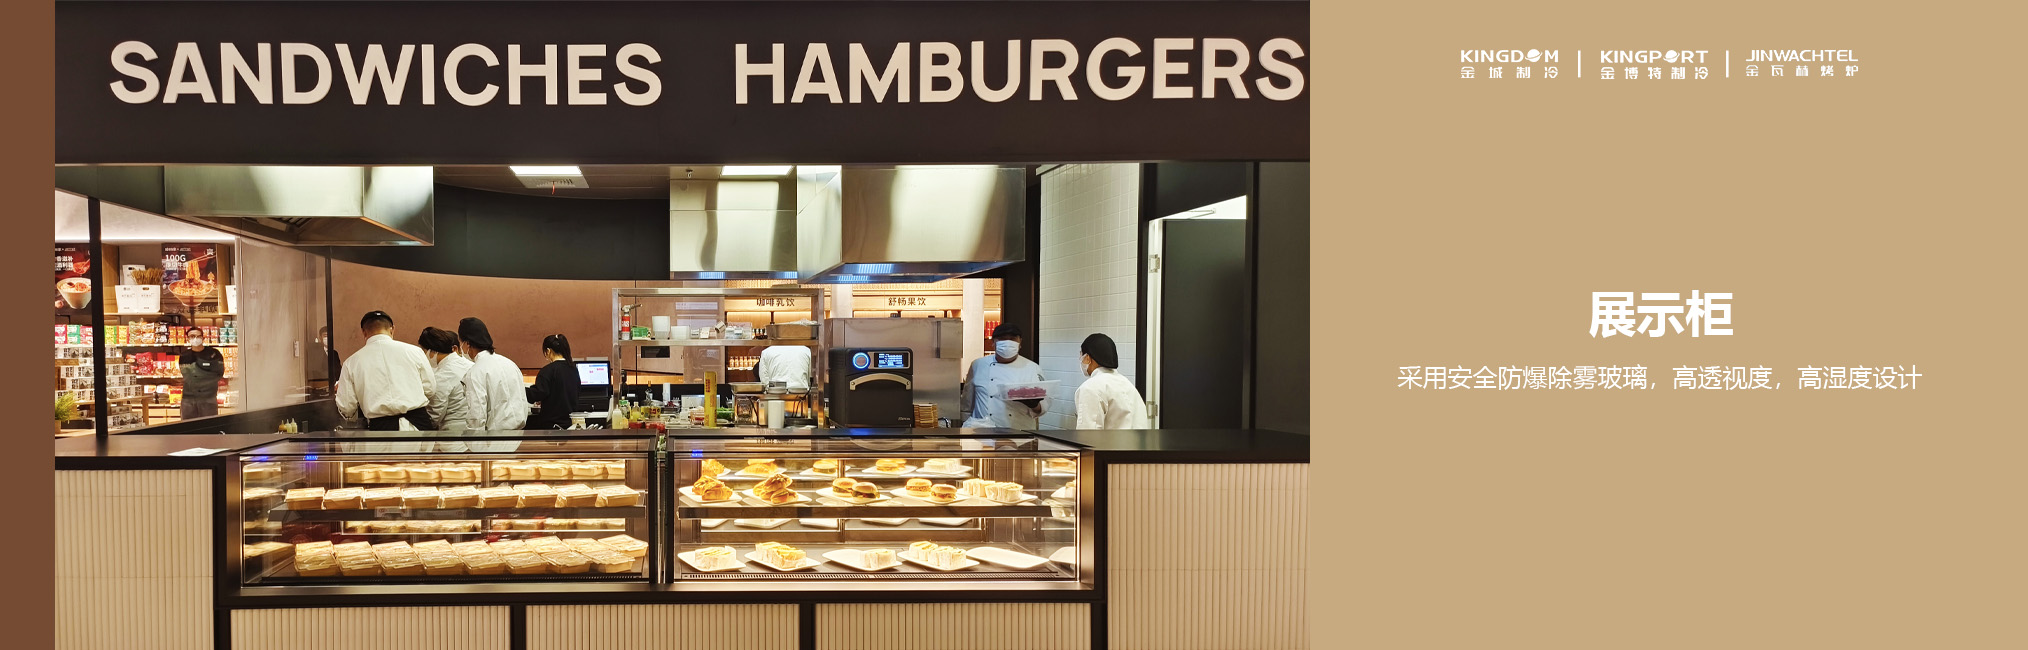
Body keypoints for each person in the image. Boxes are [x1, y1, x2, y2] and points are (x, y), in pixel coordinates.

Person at [335, 311, 435, 430]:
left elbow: (347, 406)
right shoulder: (415, 351)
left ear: (364, 332)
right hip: (419, 424)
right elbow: (430, 388)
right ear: (392, 329)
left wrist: (352, 417)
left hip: (381, 429)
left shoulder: (351, 362)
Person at [960, 324, 1050, 429]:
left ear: (1020, 342)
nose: (1007, 343)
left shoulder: (1033, 368)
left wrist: (1033, 404)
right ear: (993, 342)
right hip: (983, 431)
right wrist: (966, 428)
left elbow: (1043, 407)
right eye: (1002, 338)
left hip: (1019, 431)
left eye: (1012, 339)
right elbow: (967, 404)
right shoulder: (978, 365)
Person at [457, 317, 529, 431]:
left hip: (493, 437)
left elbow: (476, 417)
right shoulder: (510, 364)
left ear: (467, 343)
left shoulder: (475, 372)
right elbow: (523, 402)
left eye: (460, 343)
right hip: (518, 434)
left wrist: (471, 439)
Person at [1074, 333, 1149, 429]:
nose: (1081, 360)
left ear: (1088, 358)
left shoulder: (1090, 388)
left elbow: (1088, 433)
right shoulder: (1127, 384)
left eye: (1081, 356)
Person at [417, 327, 473, 431]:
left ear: (432, 351)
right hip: (476, 429)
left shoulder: (443, 374)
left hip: (453, 431)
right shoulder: (471, 365)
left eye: (424, 351)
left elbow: (434, 414)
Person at [525, 334, 582, 430]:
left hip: (551, 426)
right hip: (570, 424)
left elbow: (538, 394)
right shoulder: (573, 369)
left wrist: (520, 389)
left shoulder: (547, 370)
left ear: (548, 351)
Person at [177, 326, 224, 419]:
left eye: (198, 336)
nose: (195, 339)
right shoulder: (184, 356)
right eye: (192, 336)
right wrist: (205, 374)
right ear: (188, 339)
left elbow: (218, 374)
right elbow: (187, 376)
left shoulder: (214, 354)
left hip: (208, 398)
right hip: (188, 399)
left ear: (203, 338)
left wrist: (199, 376)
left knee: (209, 426)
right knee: (187, 426)